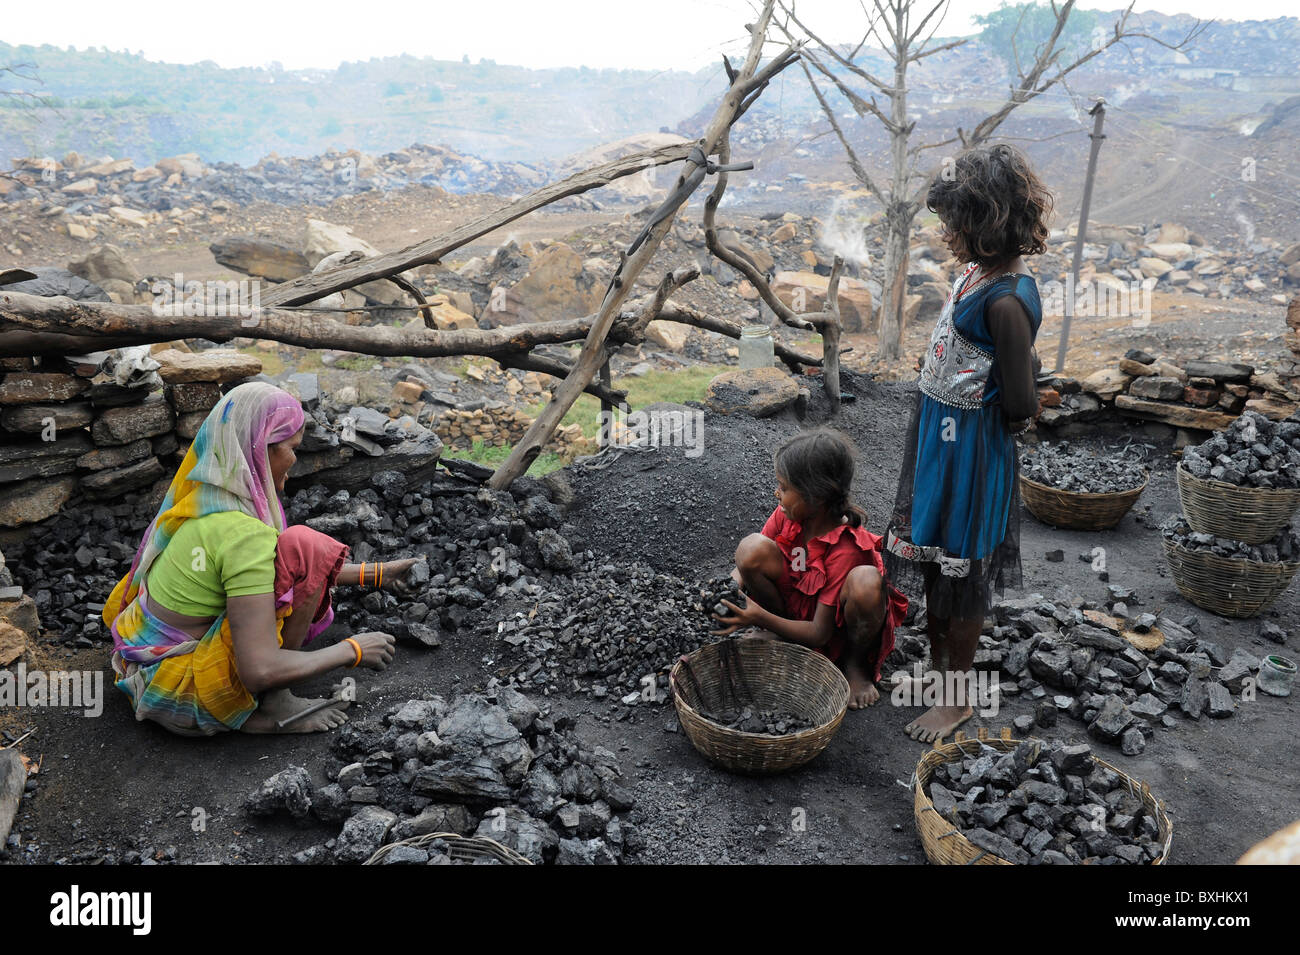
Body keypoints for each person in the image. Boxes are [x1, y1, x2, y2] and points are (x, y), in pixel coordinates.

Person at [102, 382, 419, 736]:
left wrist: (376, 575)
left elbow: (260, 571)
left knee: (297, 551)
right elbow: (258, 669)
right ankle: (273, 706)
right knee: (306, 549)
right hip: (180, 692)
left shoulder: (206, 499)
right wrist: (354, 650)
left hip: (142, 660)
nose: (295, 460)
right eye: (292, 448)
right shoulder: (244, 536)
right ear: (260, 448)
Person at [882, 143, 1050, 743]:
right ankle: (940, 673)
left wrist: (1006, 404)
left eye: (953, 223)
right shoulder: (980, 276)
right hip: (942, 440)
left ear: (984, 225)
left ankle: (955, 700)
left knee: (963, 575)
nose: (946, 233)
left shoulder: (1006, 302)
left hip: (972, 456)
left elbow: (1022, 401)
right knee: (936, 565)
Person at [713, 428, 908, 709]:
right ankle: (784, 632)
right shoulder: (787, 515)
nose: (776, 492)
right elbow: (745, 568)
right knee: (750, 548)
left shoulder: (845, 548)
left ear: (816, 497)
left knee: (867, 582)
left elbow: (820, 633)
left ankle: (854, 666)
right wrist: (727, 590)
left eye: (785, 487)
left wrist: (758, 616)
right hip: (793, 612)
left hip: (829, 630)